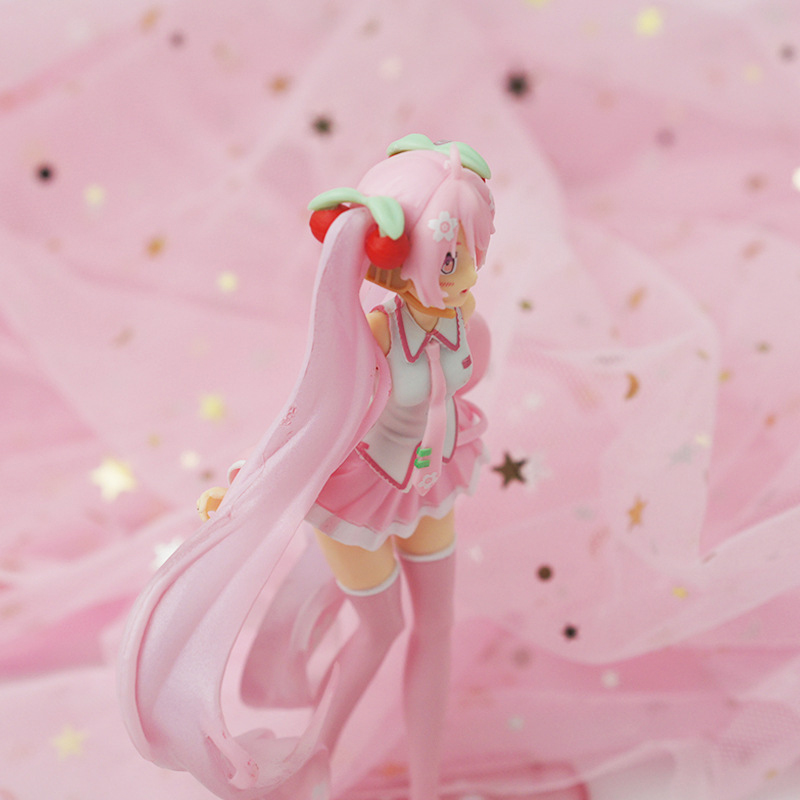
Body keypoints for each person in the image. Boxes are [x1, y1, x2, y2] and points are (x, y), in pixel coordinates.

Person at [118, 134, 495, 800]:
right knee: (382, 630)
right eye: (450, 255)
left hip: (431, 484)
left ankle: (426, 788)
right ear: (399, 257)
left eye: (474, 249)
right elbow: (313, 406)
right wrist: (254, 481)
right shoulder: (375, 336)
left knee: (437, 626)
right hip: (359, 497)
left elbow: (456, 389)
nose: (467, 270)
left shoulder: (467, 325)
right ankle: (306, 764)